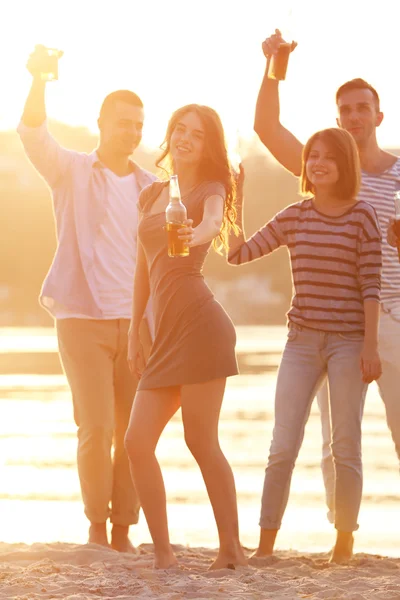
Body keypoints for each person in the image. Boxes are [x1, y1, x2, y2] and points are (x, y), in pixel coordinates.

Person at [254, 30, 400, 525]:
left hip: (394, 318)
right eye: (346, 110)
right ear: (338, 119)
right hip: (337, 323)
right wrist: (274, 68)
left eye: (363, 108)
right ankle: (345, 536)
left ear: (379, 116)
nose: (355, 116)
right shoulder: (324, 168)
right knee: (334, 437)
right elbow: (267, 127)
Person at [17, 46, 156, 552]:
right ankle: (97, 525)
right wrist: (39, 80)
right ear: (101, 123)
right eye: (123, 122)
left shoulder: (152, 187)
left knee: (133, 433)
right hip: (81, 319)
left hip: (137, 326)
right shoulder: (71, 170)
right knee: (95, 427)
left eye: (139, 124)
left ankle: (124, 529)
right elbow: (32, 135)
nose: (132, 132)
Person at [228, 128, 382, 563]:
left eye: (328, 157)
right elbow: (238, 254)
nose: (317, 163)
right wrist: (235, 196)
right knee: (283, 444)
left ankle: (344, 542)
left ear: (344, 165)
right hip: (301, 341)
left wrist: (371, 346)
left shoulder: (363, 216)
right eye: (312, 156)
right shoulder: (295, 216)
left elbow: (371, 285)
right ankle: (265, 545)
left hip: (350, 344)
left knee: (344, 443)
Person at [124, 104, 247, 570]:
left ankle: (231, 548)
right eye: (180, 128)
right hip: (164, 334)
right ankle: (163, 554)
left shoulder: (209, 189)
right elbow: (143, 269)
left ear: (208, 145)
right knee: (137, 443)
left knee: (201, 441)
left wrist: (196, 232)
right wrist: (137, 328)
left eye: (197, 134)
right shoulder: (152, 194)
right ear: (170, 134)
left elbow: (215, 221)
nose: (186, 138)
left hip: (201, 328)